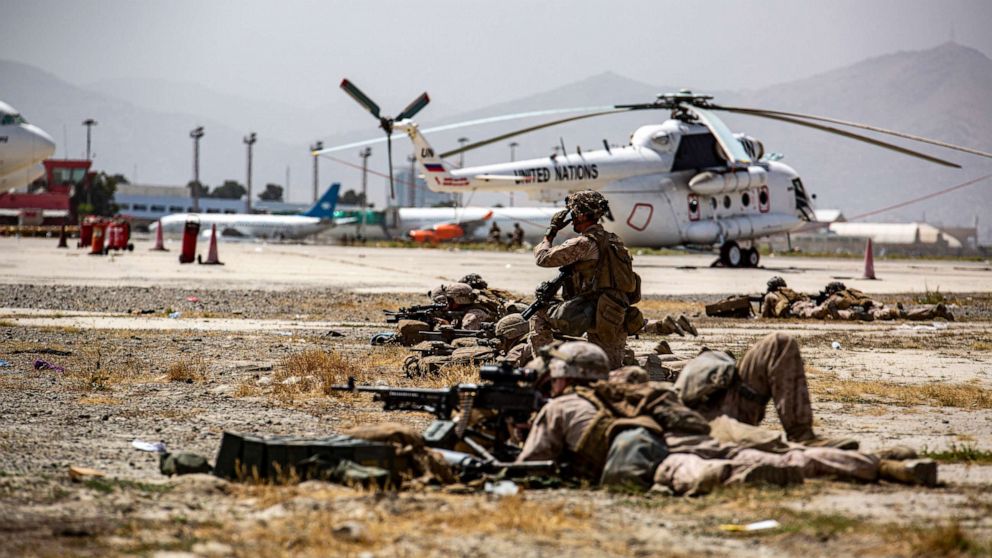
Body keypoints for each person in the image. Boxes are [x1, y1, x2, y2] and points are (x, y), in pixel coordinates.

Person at [528, 190, 640, 368]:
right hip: (615, 313)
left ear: (580, 215)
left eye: (572, 214)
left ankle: (547, 366)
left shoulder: (583, 243)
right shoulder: (614, 241)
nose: (571, 219)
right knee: (610, 370)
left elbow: (543, 258)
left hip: (592, 312)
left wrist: (551, 232)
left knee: (540, 313)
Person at [429, 283, 495, 330]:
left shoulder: (473, 316)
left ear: (459, 299)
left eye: (449, 300)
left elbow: (465, 338)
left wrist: (447, 327)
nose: (446, 303)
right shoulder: (460, 311)